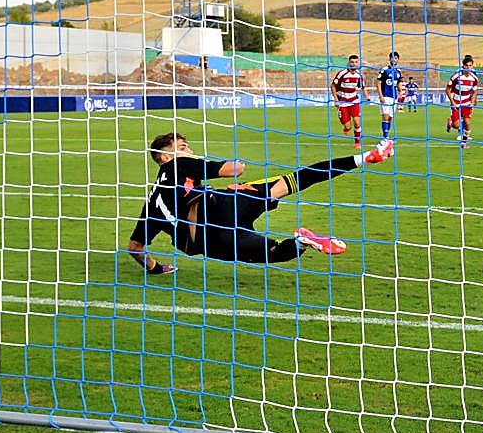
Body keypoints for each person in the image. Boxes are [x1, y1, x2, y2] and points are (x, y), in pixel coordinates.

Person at [127, 132, 394, 273]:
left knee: (274, 252)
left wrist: (156, 269)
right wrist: (233, 165)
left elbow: (135, 247)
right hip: (216, 209)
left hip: (207, 243)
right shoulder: (178, 163)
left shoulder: (151, 204)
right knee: (293, 180)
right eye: (183, 146)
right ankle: (364, 158)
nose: (189, 151)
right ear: (164, 156)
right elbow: (235, 169)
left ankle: (302, 242)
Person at [331, 54, 367, 149]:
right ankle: (346, 128)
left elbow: (362, 87)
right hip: (342, 102)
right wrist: (336, 100)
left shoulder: (359, 75)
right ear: (348, 63)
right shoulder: (342, 73)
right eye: (352, 62)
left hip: (354, 101)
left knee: (357, 122)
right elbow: (333, 86)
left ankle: (357, 142)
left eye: (356, 62)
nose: (354, 64)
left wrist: (367, 97)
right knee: (347, 126)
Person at [446, 54, 480, 147]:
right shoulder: (456, 76)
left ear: (472, 66)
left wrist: (472, 103)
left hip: (466, 103)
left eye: (470, 65)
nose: (468, 67)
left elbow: (474, 92)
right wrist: (452, 102)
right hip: (456, 102)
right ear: (463, 66)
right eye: (466, 65)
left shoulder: (474, 79)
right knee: (456, 125)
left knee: (467, 123)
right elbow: (448, 90)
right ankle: (450, 122)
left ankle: (464, 143)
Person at [376, 51, 404, 139]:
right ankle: (385, 138)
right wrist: (380, 96)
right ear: (389, 59)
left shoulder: (398, 71)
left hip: (394, 98)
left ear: (398, 60)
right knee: (385, 116)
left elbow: (398, 83)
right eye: (392, 58)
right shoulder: (385, 70)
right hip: (385, 96)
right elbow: (378, 83)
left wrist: (400, 92)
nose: (394, 59)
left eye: (396, 58)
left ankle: (386, 135)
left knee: (390, 118)